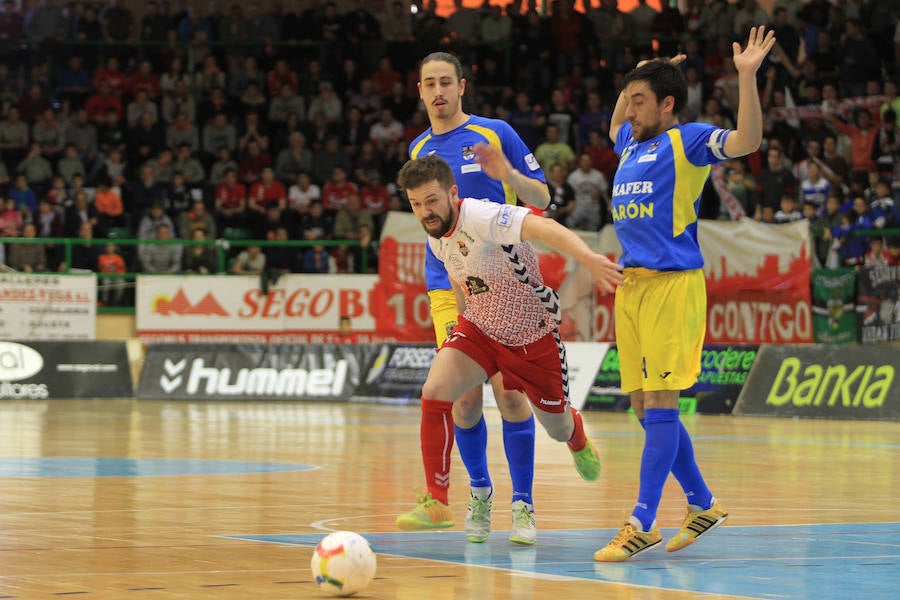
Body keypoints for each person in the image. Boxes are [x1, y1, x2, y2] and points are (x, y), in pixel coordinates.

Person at [593, 26, 775, 562]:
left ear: (667, 105)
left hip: (673, 285)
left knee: (663, 403)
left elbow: (747, 141)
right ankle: (702, 503)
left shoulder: (687, 139)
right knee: (641, 408)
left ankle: (641, 521)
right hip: (632, 288)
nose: (629, 110)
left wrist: (745, 78)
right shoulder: (630, 138)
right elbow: (613, 124)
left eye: (641, 101)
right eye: (629, 100)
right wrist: (635, 83)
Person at [398, 154, 621, 544]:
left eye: (432, 200)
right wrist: (458, 337)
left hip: (531, 336)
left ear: (452, 193)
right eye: (416, 204)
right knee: (436, 393)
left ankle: (577, 438)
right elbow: (462, 286)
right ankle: (438, 500)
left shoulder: (483, 217)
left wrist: (588, 257)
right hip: (481, 329)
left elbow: (543, 225)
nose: (425, 212)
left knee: (556, 425)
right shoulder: (436, 240)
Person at [396, 52, 554, 542]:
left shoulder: (494, 132)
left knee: (509, 394)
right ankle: (480, 494)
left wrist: (509, 173)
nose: (438, 91)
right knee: (463, 401)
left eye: (446, 82)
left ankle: (523, 504)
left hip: (502, 283)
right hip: (447, 285)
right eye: (429, 84)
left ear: (462, 86)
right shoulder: (419, 146)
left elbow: (542, 199)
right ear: (419, 92)